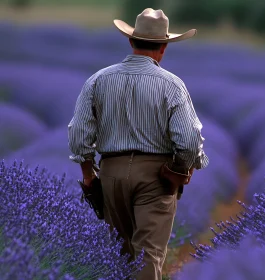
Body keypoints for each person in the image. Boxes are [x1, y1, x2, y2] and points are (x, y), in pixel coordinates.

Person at [68, 8, 208, 280]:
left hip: (110, 174)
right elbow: (190, 141)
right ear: (164, 47)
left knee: (119, 256)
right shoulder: (172, 85)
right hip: (155, 177)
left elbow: (78, 136)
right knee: (148, 255)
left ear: (131, 41)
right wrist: (177, 172)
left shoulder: (98, 80)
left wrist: (89, 176)